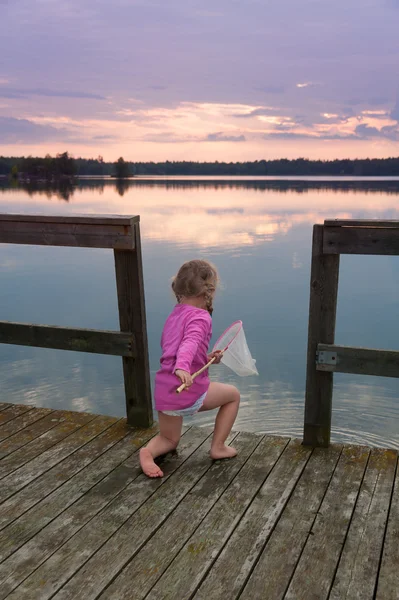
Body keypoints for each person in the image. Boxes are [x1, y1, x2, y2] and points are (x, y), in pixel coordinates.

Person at [140, 259, 240, 478]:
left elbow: (176, 349)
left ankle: (147, 452)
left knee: (168, 439)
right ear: (208, 291)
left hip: (165, 389)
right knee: (233, 395)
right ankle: (218, 447)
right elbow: (190, 343)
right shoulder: (201, 317)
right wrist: (183, 368)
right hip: (187, 388)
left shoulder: (175, 315)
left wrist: (206, 359)